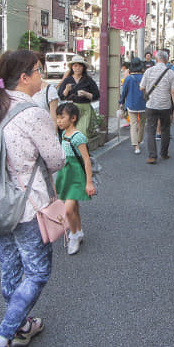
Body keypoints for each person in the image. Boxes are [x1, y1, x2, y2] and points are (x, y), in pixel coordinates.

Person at [0, 50, 65, 347]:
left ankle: (23, 325)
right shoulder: (33, 113)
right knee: (38, 272)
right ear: (24, 77)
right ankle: (2, 338)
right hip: (30, 206)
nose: (43, 76)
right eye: (39, 71)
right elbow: (56, 159)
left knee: (10, 269)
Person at [55, 103, 95, 255]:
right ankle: (78, 231)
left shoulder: (78, 136)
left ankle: (73, 236)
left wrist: (89, 182)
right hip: (67, 173)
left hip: (77, 176)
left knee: (68, 209)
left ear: (73, 118)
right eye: (58, 117)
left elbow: (86, 160)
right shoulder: (64, 133)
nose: (59, 121)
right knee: (74, 207)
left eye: (62, 117)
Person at [139, 50, 174, 164]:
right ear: (166, 60)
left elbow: (141, 88)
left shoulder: (149, 71)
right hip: (165, 105)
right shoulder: (171, 73)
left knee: (151, 130)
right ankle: (164, 154)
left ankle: (152, 156)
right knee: (165, 129)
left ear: (156, 60)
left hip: (151, 105)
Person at [57, 55, 100, 138]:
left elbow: (96, 95)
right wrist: (66, 89)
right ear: (72, 67)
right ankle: (72, 150)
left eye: (80, 66)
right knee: (71, 133)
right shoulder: (68, 80)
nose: (77, 68)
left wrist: (86, 94)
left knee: (82, 133)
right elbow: (61, 96)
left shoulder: (88, 80)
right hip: (71, 109)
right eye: (75, 66)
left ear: (83, 68)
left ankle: (80, 149)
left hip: (85, 109)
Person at [119, 57, 146, 154]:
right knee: (142, 124)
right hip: (143, 104)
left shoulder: (128, 78)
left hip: (131, 104)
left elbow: (124, 92)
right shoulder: (144, 77)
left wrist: (121, 102)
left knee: (133, 124)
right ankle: (139, 139)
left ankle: (136, 146)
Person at [32, 55, 58, 123]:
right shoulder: (21, 90)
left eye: (39, 69)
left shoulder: (50, 91)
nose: (36, 72)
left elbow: (54, 120)